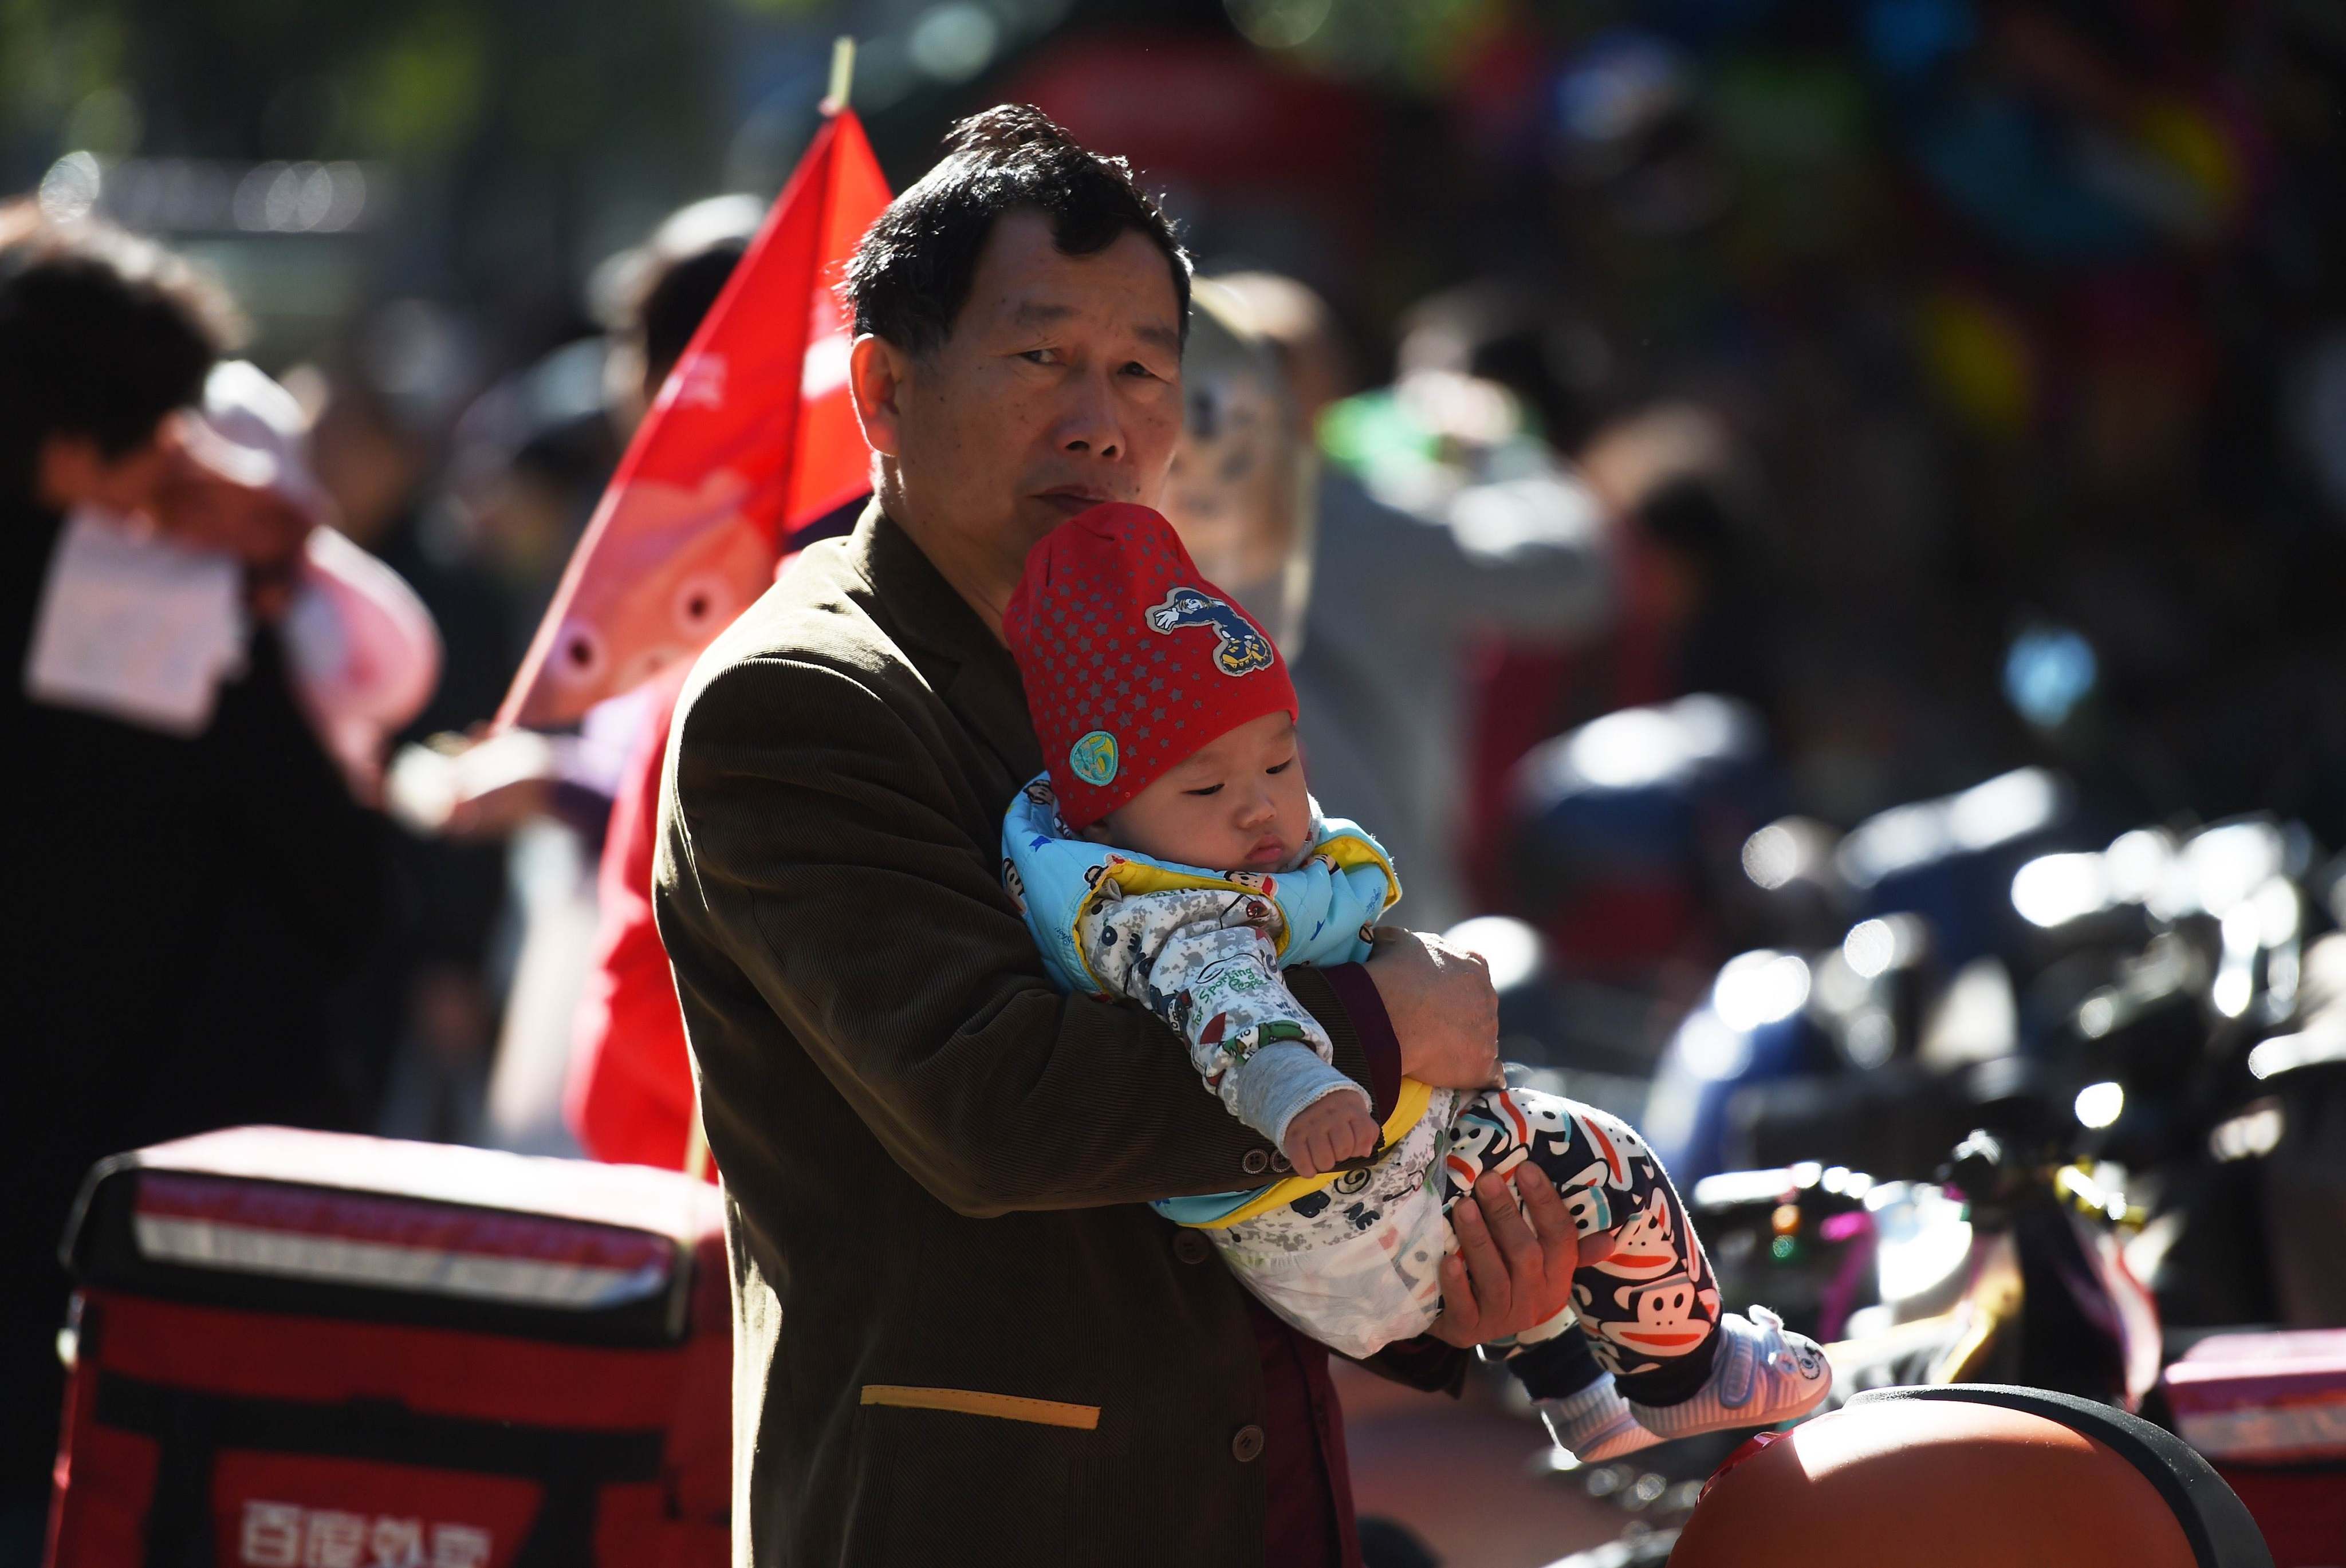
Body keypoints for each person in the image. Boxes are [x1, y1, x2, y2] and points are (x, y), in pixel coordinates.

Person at [654, 107, 1582, 1567]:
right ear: (882, 392)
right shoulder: (805, 700)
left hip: (1240, 1485)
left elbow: (1231, 1081)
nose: (1102, 417)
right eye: (1040, 359)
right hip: (976, 1512)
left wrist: (1424, 1285)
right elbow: (994, 1105)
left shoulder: (1142, 658)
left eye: (1144, 368)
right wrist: (1376, 1026)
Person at [1000, 501, 1832, 1448]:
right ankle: (1691, 1369)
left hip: (1338, 1218)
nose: (1257, 808)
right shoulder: (1179, 911)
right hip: (1341, 1207)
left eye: (1278, 762)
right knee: (1609, 1162)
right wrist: (1301, 1087)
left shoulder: (1179, 870)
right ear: (1104, 821)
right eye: (1203, 788)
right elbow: (1232, 1005)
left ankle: (1581, 1399)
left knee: (1523, 1199)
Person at [0, 205, 384, 1562]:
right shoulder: (158, 611)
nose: (171, 465)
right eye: (150, 433)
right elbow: (338, 880)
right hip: (171, 1168)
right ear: (66, 439)